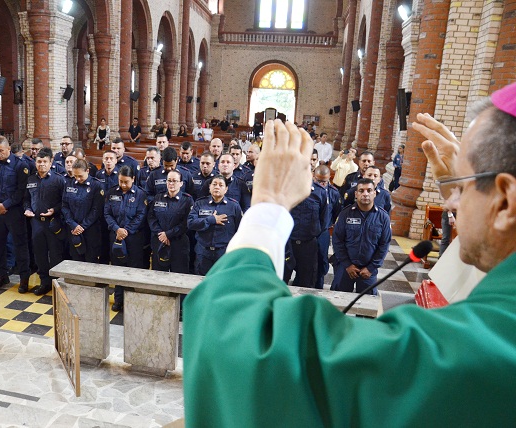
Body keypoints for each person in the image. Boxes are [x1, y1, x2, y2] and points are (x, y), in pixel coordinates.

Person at [184, 82, 516, 426]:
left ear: (506, 200)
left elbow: (238, 338)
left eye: (461, 187)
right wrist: (481, 204)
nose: (450, 202)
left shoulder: (476, 350)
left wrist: (269, 203)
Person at [0, 135, 31, 291]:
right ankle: (1, 275)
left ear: (9, 149)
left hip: (14, 212)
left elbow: (22, 191)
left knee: (20, 245)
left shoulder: (20, 165)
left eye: (1, 151)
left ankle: (24, 278)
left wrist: (6, 204)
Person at [331, 178, 391, 294]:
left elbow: (384, 245)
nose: (365, 194)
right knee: (338, 303)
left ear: (374, 193)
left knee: (368, 306)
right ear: (356, 194)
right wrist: (347, 265)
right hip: (345, 268)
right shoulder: (345, 214)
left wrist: (371, 268)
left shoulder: (383, 217)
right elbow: (337, 240)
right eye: (361, 191)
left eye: (369, 190)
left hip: (368, 270)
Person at [103, 165, 148, 311]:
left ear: (133, 179)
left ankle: (132, 300)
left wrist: (126, 231)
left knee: (133, 268)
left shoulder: (140, 194)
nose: (123, 185)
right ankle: (119, 299)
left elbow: (140, 215)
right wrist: (117, 229)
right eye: (121, 181)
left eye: (126, 182)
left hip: (133, 237)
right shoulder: (111, 193)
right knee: (118, 268)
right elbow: (107, 213)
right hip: (116, 236)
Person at [24, 148, 66, 295]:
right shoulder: (31, 179)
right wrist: (27, 209)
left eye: (45, 162)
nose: (41, 164)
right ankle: (44, 282)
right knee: (39, 254)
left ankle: (57, 285)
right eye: (39, 161)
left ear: (51, 162)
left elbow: (64, 202)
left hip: (52, 223)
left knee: (55, 255)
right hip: (36, 223)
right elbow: (27, 199)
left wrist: (54, 210)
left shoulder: (59, 180)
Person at [187, 175, 242, 275]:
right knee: (200, 283)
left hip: (223, 253)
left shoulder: (234, 206)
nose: (217, 187)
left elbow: (240, 231)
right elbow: (190, 223)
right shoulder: (200, 203)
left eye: (221, 185)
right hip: (203, 253)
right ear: (209, 187)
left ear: (226, 189)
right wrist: (211, 220)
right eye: (214, 184)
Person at [147, 169, 193, 273]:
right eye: (169, 180)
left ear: (181, 183)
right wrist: (161, 234)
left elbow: (186, 223)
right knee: (157, 274)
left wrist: (168, 234)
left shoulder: (187, 200)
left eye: (175, 181)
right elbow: (151, 217)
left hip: (178, 242)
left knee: (179, 274)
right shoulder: (158, 197)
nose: (171, 183)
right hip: (159, 240)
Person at [62, 159, 105, 262]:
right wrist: (73, 224)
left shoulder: (96, 185)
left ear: (87, 171)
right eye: (75, 176)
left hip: (90, 230)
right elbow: (64, 206)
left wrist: (82, 226)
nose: (77, 178)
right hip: (73, 229)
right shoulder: (69, 184)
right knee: (76, 259)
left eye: (80, 176)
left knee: (91, 260)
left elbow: (96, 210)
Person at [314, 165, 341, 289]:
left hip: (323, 232)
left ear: (329, 179)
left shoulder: (334, 193)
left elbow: (336, 212)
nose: (321, 184)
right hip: (309, 232)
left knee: (322, 260)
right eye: (318, 181)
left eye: (324, 181)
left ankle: (319, 285)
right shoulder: (308, 190)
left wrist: (328, 224)